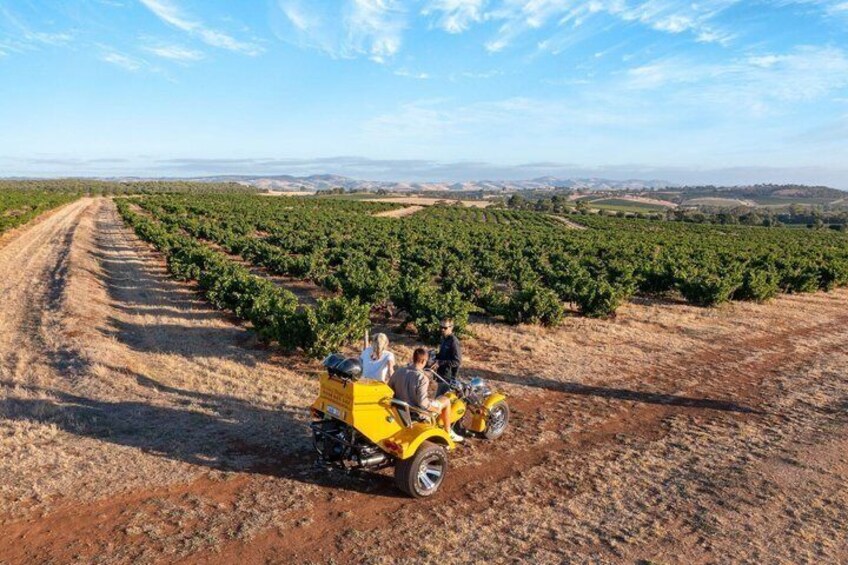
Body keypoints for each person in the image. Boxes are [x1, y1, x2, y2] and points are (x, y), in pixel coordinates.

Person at [388, 348, 463, 443]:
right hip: (416, 412)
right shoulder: (422, 378)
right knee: (446, 400)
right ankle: (448, 432)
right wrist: (436, 409)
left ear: (413, 358)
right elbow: (423, 403)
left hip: (399, 409)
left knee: (437, 399)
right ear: (423, 361)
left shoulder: (399, 371)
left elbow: (389, 390)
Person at [434, 318, 462, 395]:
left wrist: (440, 362)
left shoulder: (453, 341)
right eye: (441, 327)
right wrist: (434, 356)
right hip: (441, 374)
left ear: (451, 327)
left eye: (445, 328)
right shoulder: (443, 338)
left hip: (448, 377)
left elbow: (457, 361)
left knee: (440, 399)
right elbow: (443, 355)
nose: (442, 329)